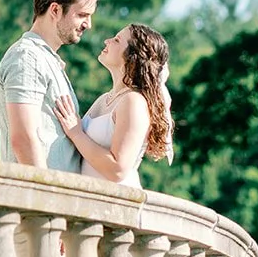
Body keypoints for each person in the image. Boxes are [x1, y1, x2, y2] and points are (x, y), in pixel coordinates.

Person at [0, 0, 103, 173]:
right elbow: (23, 138)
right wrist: (47, 197)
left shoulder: (45, 60)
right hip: (35, 202)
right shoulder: (28, 57)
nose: (88, 24)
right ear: (55, 10)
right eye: (82, 15)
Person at [54, 23, 174, 186]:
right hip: (88, 199)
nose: (106, 41)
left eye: (117, 40)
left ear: (133, 57)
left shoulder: (134, 102)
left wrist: (76, 134)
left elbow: (118, 170)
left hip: (114, 203)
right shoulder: (104, 99)